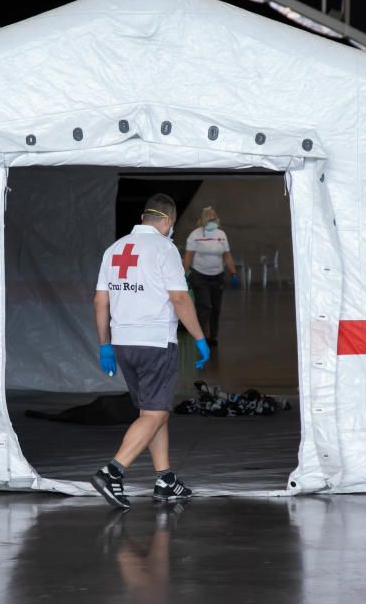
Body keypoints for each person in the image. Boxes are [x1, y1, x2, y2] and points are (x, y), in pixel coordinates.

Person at [91, 193, 210, 508]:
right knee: (155, 412)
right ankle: (112, 472)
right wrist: (199, 338)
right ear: (168, 222)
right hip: (155, 342)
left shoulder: (114, 249)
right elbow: (180, 299)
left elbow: (100, 301)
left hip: (123, 343)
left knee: (153, 412)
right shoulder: (164, 249)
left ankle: (165, 479)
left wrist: (105, 345)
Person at [183, 206, 239, 346]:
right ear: (202, 220)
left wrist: (233, 272)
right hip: (199, 275)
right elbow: (188, 257)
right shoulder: (195, 235)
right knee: (205, 306)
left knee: (216, 307)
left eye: (213, 218)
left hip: (217, 276)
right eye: (209, 219)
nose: (212, 221)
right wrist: (183, 274)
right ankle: (201, 335)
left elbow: (227, 256)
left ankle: (213, 336)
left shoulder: (221, 234)